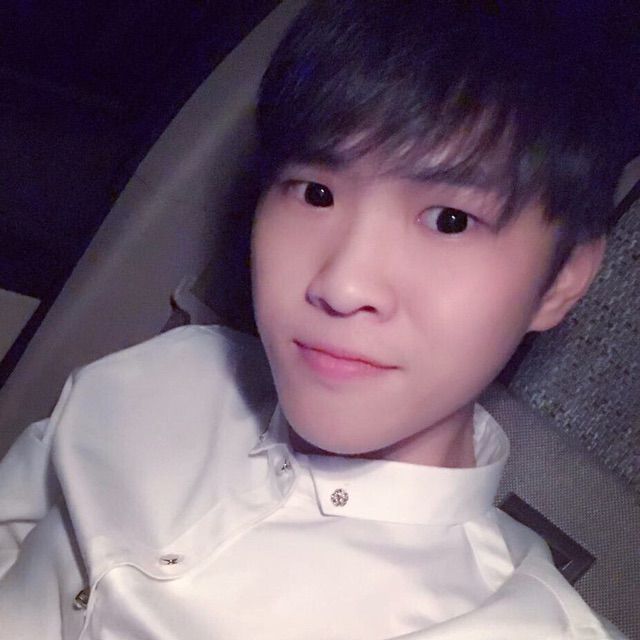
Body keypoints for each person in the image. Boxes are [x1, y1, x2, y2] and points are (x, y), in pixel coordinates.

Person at [0, 1, 637, 638]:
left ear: (562, 279)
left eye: (450, 220)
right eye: (316, 193)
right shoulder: (168, 371)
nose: (342, 284)